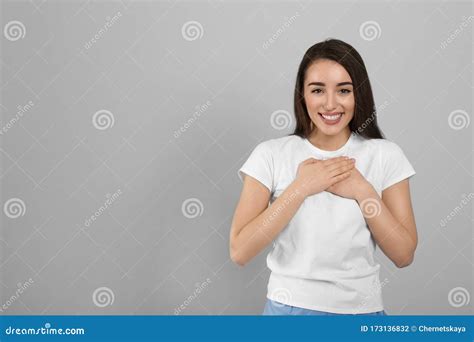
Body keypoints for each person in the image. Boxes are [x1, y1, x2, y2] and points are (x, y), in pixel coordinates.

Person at [229, 38, 417, 315]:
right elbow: (240, 251)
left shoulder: (385, 155)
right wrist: (301, 188)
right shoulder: (271, 154)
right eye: (317, 90)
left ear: (358, 95)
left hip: (363, 314)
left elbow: (404, 255)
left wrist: (362, 191)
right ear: (302, 95)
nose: (331, 104)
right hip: (289, 313)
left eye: (343, 90)